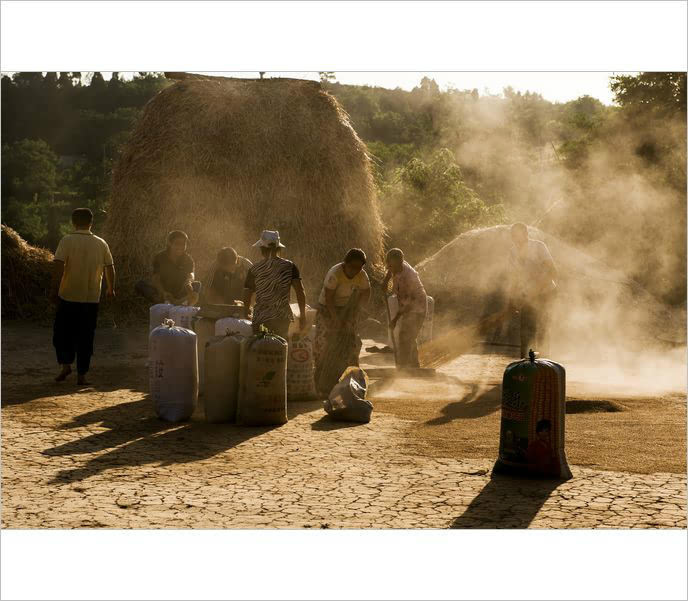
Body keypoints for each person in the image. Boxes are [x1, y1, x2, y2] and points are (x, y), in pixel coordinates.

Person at [51, 208, 116, 385]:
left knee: (62, 333)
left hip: (68, 295)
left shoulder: (67, 240)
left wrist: (54, 289)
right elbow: (110, 267)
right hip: (91, 298)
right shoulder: (101, 243)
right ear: (91, 223)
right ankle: (82, 374)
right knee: (86, 336)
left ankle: (65, 365)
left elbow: (58, 265)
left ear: (73, 222)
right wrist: (111, 288)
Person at [313, 248, 371, 393]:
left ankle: (352, 381)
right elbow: (328, 298)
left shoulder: (362, 275)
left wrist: (358, 310)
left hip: (347, 309)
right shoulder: (335, 273)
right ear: (345, 263)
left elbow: (366, 292)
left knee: (352, 343)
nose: (355, 271)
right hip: (327, 308)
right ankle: (319, 380)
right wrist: (336, 320)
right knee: (325, 341)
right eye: (352, 267)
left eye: (359, 268)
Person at [243, 230, 306, 340]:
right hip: (281, 319)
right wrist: (303, 315)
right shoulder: (289, 267)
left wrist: (246, 310)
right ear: (278, 248)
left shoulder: (255, 269)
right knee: (278, 349)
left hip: (261, 319)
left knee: (260, 348)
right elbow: (300, 291)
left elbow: (247, 293)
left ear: (262, 249)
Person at [508, 222, 557, 358]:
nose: (515, 239)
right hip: (527, 295)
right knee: (525, 330)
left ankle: (544, 362)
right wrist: (512, 298)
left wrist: (536, 290)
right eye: (513, 236)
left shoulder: (539, 247)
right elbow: (514, 277)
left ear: (526, 234)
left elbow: (552, 271)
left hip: (546, 292)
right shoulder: (513, 252)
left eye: (517, 235)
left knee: (543, 328)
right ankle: (524, 362)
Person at [382, 248, 428, 368]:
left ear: (400, 263)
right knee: (408, 336)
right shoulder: (395, 266)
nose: (390, 268)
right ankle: (414, 366)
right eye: (389, 265)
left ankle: (404, 367)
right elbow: (390, 271)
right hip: (406, 304)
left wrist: (395, 319)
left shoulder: (410, 276)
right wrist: (386, 281)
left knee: (406, 337)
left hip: (417, 307)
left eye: (393, 266)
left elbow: (410, 303)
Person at [135, 230, 200, 306]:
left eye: (183, 244)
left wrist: (189, 282)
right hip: (164, 291)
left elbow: (191, 274)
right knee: (140, 284)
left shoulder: (188, 259)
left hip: (180, 292)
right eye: (177, 244)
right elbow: (155, 278)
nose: (180, 247)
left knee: (197, 285)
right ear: (170, 243)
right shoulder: (159, 257)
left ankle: (177, 303)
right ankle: (166, 302)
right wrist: (162, 292)